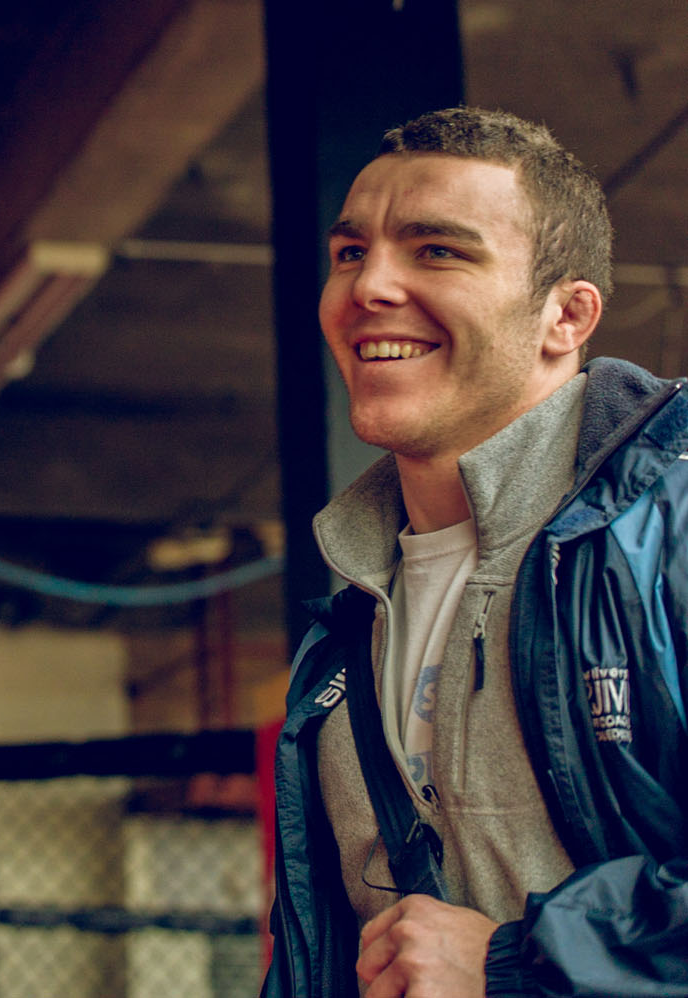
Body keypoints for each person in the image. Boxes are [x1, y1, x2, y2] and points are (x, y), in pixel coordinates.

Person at [262, 106, 688, 996]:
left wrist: (512, 964)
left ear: (566, 315)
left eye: (437, 251)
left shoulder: (667, 530)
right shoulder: (346, 631)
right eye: (351, 252)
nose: (369, 286)